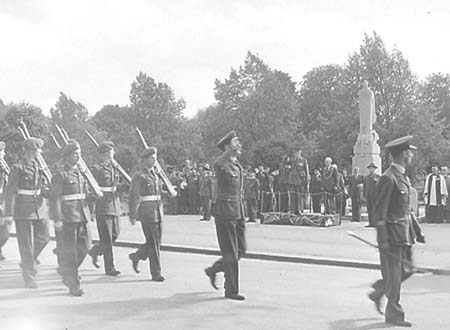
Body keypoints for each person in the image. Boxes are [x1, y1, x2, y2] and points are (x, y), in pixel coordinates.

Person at [367, 135, 422, 327]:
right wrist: (383, 241)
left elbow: (406, 209)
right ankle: (394, 315)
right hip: (392, 236)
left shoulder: (402, 176)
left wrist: (417, 230)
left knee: (408, 270)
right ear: (403, 154)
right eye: (410, 152)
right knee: (395, 276)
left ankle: (379, 291)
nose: (412, 155)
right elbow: (378, 212)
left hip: (405, 234)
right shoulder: (388, 178)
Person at [204, 130, 247, 301]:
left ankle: (214, 269)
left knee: (241, 250)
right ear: (228, 147)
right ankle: (231, 290)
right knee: (230, 253)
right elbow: (217, 162)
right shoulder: (222, 164)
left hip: (238, 211)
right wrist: (228, 150)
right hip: (225, 212)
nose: (240, 144)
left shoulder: (236, 164)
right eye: (236, 142)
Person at [4, 137, 50, 289]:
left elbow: (43, 187)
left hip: (39, 208)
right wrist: (8, 214)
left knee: (44, 238)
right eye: (37, 151)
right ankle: (29, 277)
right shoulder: (18, 168)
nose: (39, 153)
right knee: (26, 245)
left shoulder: (40, 166)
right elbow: (10, 192)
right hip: (23, 210)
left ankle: (27, 262)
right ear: (30, 152)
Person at [49, 140, 91, 296]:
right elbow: (55, 198)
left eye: (79, 152)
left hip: (82, 215)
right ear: (67, 156)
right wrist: (57, 218)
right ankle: (74, 285)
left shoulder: (81, 173)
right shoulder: (61, 175)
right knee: (71, 252)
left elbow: (83, 195)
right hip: (68, 217)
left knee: (86, 246)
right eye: (75, 153)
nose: (78, 155)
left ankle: (66, 270)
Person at [88, 141, 128, 276]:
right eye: (112, 152)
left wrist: (126, 185)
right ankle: (110, 267)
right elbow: (92, 189)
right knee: (107, 239)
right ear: (106, 154)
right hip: (103, 206)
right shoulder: (96, 169)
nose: (114, 153)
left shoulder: (115, 168)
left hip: (115, 205)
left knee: (115, 234)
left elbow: (116, 187)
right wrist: (92, 209)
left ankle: (95, 251)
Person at [128, 147, 165, 282]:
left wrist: (170, 193)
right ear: (145, 160)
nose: (154, 160)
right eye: (151, 158)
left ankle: (137, 256)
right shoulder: (140, 176)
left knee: (154, 243)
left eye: (155, 158)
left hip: (158, 211)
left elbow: (158, 193)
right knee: (154, 243)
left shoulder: (156, 175)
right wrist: (132, 215)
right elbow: (134, 196)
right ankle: (156, 273)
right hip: (147, 213)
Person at [288, 150, 310, 214]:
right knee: (293, 196)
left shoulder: (303, 160)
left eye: (297, 153)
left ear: (299, 153)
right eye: (295, 153)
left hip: (300, 180)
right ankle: (292, 209)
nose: (296, 154)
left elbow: (306, 171)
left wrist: (306, 180)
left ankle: (299, 209)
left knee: (299, 196)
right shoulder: (292, 160)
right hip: (292, 180)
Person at [0, 142, 10, 262]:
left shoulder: (4, 167)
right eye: (2, 152)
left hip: (3, 200)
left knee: (4, 232)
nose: (4, 154)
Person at [364, 163, 380, 227]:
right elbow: (365, 187)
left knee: (375, 209)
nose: (371, 169)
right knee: (369, 209)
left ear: (374, 169)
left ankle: (375, 222)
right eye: (370, 168)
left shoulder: (377, 177)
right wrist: (364, 195)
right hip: (368, 195)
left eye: (372, 168)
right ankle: (371, 222)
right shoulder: (366, 177)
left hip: (375, 196)